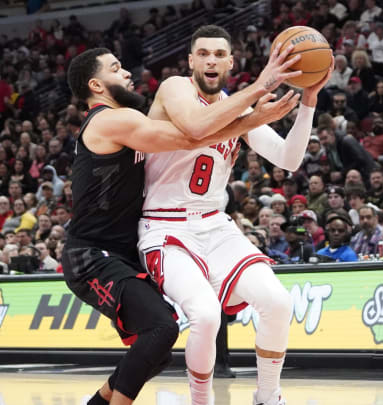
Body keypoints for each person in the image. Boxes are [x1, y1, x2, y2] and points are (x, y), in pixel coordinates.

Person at [64, 42, 300, 405]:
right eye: (115, 68)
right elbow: (193, 136)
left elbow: (196, 135)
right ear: (96, 86)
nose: (126, 72)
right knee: (162, 329)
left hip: (122, 250)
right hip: (91, 255)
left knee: (155, 352)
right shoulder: (112, 120)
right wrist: (257, 101)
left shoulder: (130, 118)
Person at [139, 25, 330, 405]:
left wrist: (309, 99)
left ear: (230, 62)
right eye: (203, 53)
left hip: (214, 224)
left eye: (219, 54)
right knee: (206, 317)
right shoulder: (175, 88)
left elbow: (289, 160)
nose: (211, 60)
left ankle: (268, 396)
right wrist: (262, 87)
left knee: (277, 303)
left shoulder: (239, 104)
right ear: (192, 61)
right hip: (164, 225)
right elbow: (195, 127)